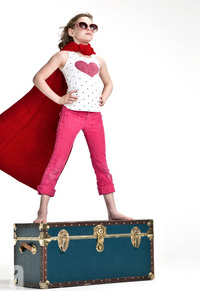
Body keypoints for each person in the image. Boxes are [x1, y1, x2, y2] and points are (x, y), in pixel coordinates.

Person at [32, 13, 132, 223]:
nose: (89, 28)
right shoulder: (64, 56)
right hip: (72, 115)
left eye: (92, 26)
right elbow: (38, 78)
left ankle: (112, 210)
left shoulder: (98, 59)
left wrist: (104, 96)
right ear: (71, 31)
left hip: (94, 117)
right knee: (57, 161)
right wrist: (59, 99)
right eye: (83, 25)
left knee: (101, 163)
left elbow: (109, 83)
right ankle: (42, 212)